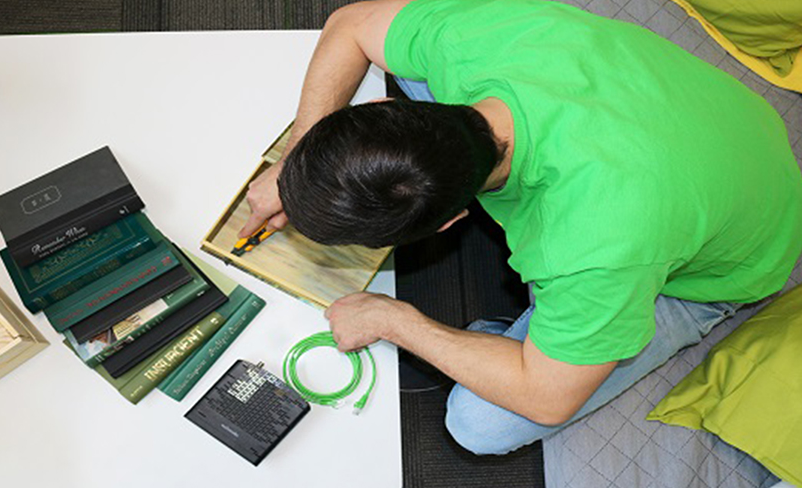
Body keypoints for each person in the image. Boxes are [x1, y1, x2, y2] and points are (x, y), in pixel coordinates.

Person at [239, 0, 802, 454]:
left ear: (453, 224)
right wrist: (296, 163)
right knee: (400, 56)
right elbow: (352, 23)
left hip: (726, 256)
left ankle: (572, 335)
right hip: (713, 128)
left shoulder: (592, 246)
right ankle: (561, 337)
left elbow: (547, 399)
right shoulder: (479, 39)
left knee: (480, 425)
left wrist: (394, 319)